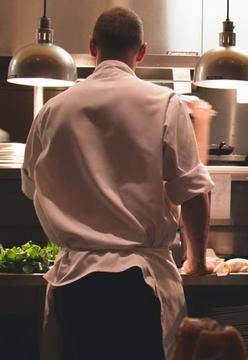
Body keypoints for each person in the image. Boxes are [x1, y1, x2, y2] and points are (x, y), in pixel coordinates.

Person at [21, 7, 218, 359]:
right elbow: (193, 191)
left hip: (74, 284)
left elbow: (33, 188)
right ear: (141, 51)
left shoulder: (52, 110)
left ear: (92, 46)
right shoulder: (164, 104)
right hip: (138, 284)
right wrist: (197, 261)